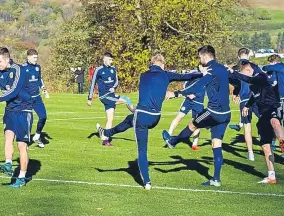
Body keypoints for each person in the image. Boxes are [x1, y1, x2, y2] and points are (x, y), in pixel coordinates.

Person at [96, 54, 201, 190]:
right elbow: (187, 76)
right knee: (129, 119)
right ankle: (106, 132)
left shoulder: (143, 75)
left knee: (142, 150)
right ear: (162, 64)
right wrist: (203, 74)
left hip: (142, 116)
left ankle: (147, 182)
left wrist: (103, 171)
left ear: (151, 64)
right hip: (155, 117)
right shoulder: (166, 75)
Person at [162, 45, 231, 187]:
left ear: (205, 56)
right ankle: (216, 179)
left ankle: (173, 141)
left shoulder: (211, 70)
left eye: (200, 57)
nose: (199, 60)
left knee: (193, 124)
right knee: (216, 144)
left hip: (214, 112)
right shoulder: (222, 69)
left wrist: (175, 93)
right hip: (226, 114)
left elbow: (198, 86)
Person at [0, 47, 33, 188]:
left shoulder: (18, 70)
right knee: (8, 137)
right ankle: (8, 164)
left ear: (7, 59)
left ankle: (22, 178)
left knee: (21, 145)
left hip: (24, 110)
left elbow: (13, 92)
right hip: (10, 111)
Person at [228, 62, 284, 183]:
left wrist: (234, 72)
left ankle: (282, 141)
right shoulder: (253, 86)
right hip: (263, 115)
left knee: (275, 122)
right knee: (265, 146)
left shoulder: (261, 77)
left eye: (243, 73)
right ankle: (271, 176)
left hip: (272, 107)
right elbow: (254, 97)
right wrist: (247, 106)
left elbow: (246, 78)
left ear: (248, 71)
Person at [87, 52, 133, 147]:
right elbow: (92, 84)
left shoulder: (113, 69)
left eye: (112, 60)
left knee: (110, 119)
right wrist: (90, 98)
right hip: (104, 96)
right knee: (126, 99)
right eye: (110, 60)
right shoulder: (98, 70)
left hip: (111, 94)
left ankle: (105, 138)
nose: (111, 61)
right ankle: (137, 113)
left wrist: (114, 87)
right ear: (104, 60)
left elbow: (116, 81)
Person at [262, 54, 284, 158]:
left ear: (274, 62)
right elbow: (272, 82)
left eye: (271, 63)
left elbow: (265, 68)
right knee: (276, 124)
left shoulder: (280, 67)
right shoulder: (279, 72)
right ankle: (279, 146)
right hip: (278, 102)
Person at [167, 71, 205, 151]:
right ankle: (169, 136)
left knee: (197, 124)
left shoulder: (206, 77)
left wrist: (196, 95)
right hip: (188, 102)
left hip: (198, 104)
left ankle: (194, 144)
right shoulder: (193, 74)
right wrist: (187, 94)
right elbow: (185, 86)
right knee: (179, 117)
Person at [23, 49, 49, 148]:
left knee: (43, 116)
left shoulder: (38, 67)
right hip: (26, 99)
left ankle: (37, 135)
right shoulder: (23, 68)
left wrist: (44, 90)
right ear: (28, 57)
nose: (36, 59)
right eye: (34, 57)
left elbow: (39, 79)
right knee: (27, 121)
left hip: (37, 98)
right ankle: (25, 142)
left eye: (37, 57)